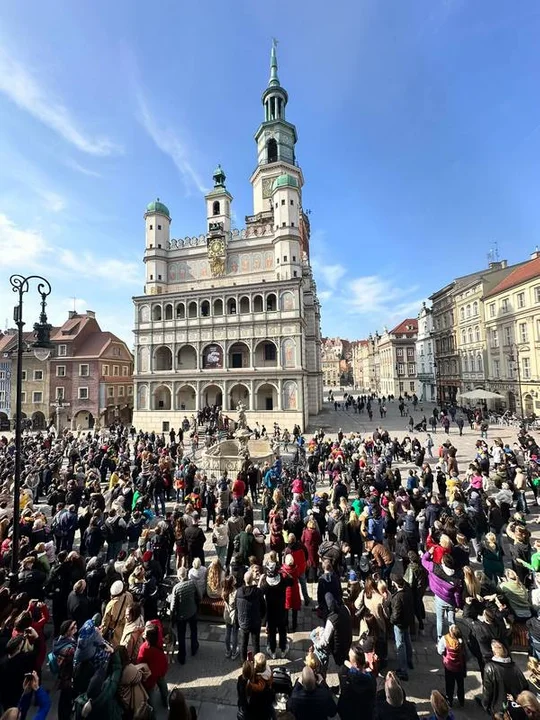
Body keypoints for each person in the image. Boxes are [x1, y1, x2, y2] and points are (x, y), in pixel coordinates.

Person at [479, 640, 528, 716]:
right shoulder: (515, 667)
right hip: (513, 706)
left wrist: (485, 705)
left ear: (494, 653)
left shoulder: (489, 668)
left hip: (498, 709)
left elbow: (487, 691)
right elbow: (525, 686)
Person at [170, 566, 200, 665]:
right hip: (192, 612)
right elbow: (199, 595)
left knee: (181, 635)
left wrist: (171, 615)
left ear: (179, 577)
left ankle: (182, 656)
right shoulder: (192, 583)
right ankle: (194, 647)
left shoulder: (176, 588)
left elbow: (173, 605)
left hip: (181, 615)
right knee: (194, 630)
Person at [337, 646, 376, 720]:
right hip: (365, 714)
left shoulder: (344, 674)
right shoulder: (371, 678)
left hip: (349, 713)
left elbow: (344, 694)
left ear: (354, 663)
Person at [137, 622, 168, 711]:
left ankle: (152, 712)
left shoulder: (144, 648)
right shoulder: (159, 642)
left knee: (150, 695)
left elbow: (140, 661)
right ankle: (166, 702)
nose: (143, 633)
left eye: (145, 633)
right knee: (162, 685)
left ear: (148, 637)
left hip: (150, 675)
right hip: (160, 669)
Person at [236, 571, 267, 661]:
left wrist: (239, 618)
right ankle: (257, 662)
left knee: (243, 643)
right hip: (255, 622)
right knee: (256, 643)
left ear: (244, 580)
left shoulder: (239, 592)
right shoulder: (257, 592)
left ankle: (243, 662)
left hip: (243, 621)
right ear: (252, 580)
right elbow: (263, 606)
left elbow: (236, 607)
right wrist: (261, 617)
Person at [389, 575, 414, 681]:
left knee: (400, 645)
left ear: (395, 583)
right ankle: (409, 660)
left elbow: (396, 615)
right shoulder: (408, 590)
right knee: (407, 640)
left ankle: (403, 670)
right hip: (407, 621)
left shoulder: (398, 597)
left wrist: (391, 620)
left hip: (399, 624)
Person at [437, 624, 466, 708]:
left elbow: (440, 651)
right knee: (460, 684)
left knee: (449, 684)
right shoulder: (461, 640)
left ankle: (449, 701)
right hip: (459, 666)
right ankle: (461, 700)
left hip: (449, 666)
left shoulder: (445, 639)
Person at [101, 580, 133, 648]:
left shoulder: (111, 604)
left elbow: (105, 622)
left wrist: (101, 633)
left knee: (114, 648)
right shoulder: (129, 595)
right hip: (124, 627)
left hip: (114, 631)